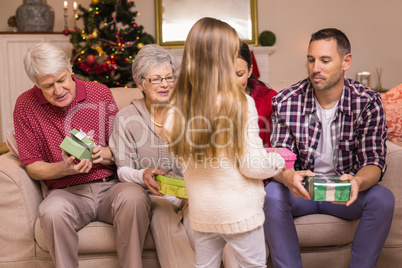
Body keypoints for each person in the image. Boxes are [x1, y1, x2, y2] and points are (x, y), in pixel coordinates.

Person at [264, 28, 395, 268]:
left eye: (325, 60)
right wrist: (288, 176)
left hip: (345, 191)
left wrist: (358, 182)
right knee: (271, 194)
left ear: (346, 62)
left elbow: (373, 161)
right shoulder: (285, 100)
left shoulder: (367, 102)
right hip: (301, 190)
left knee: (383, 198)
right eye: (311, 59)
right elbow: (279, 158)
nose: (315, 68)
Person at [13, 43, 151, 268]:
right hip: (66, 192)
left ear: (70, 70)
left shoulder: (100, 93)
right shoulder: (25, 105)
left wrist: (105, 154)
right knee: (51, 211)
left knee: (134, 198)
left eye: (61, 80)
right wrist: (63, 168)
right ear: (36, 83)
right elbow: (32, 165)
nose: (58, 90)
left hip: (111, 186)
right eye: (48, 86)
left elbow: (124, 149)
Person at [165, 17, 285, 268]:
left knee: (205, 265)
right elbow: (252, 165)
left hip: (203, 212)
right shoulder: (240, 104)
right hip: (239, 212)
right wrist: (277, 161)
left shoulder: (177, 108)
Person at [109, 44, 195, 268]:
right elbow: (123, 169)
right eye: (156, 79)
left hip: (192, 193)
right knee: (163, 216)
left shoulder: (189, 112)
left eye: (169, 77)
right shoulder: (126, 118)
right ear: (140, 83)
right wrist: (143, 174)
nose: (165, 84)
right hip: (155, 198)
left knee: (201, 221)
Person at [235, 41, 277, 147]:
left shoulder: (269, 99)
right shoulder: (211, 98)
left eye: (239, 74)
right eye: (227, 75)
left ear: (250, 71)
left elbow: (272, 148)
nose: (233, 82)